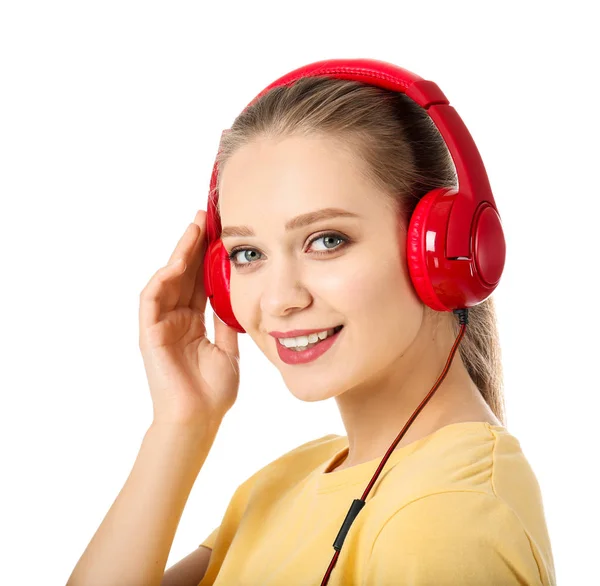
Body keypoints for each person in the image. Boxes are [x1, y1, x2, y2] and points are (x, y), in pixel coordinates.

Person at [67, 60, 555, 586]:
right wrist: (180, 424)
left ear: (441, 249)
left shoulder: (447, 516)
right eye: (248, 252)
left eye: (326, 240)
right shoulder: (283, 483)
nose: (279, 300)